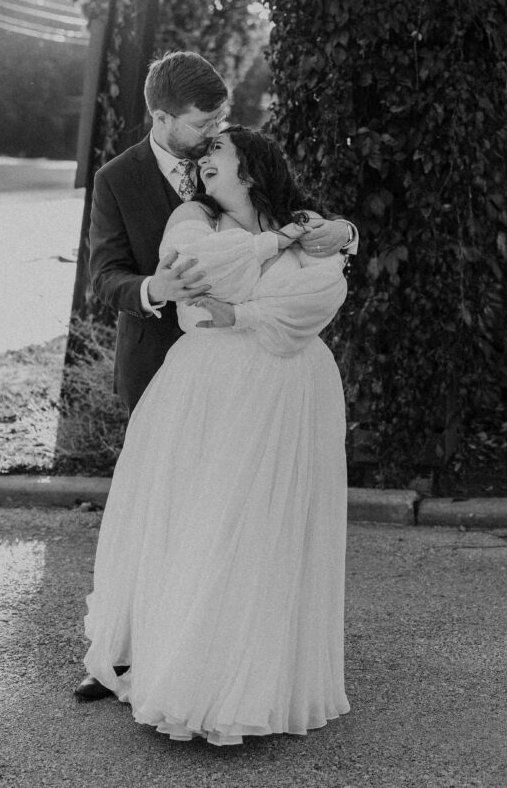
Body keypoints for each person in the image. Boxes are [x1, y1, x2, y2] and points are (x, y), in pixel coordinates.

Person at [76, 50, 357, 702]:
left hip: (252, 371)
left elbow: (298, 213)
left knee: (227, 512)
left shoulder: (238, 159)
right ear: (162, 116)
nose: (213, 132)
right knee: (161, 509)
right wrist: (153, 284)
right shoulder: (119, 179)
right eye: (203, 121)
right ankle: (128, 654)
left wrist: (344, 232)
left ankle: (218, 648)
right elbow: (104, 273)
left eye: (221, 119)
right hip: (161, 364)